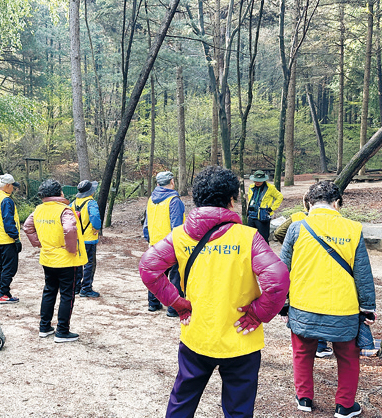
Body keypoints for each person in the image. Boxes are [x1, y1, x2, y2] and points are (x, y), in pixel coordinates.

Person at [139, 166, 289, 418]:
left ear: (197, 199)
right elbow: (278, 279)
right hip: (241, 339)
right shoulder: (248, 237)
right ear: (232, 200)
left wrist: (176, 302)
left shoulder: (180, 236)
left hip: (197, 332)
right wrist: (257, 314)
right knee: (238, 409)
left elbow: (148, 267)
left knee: (182, 400)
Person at [279, 181, 376, 417]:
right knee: (348, 357)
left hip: (303, 305)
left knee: (302, 352)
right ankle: (344, 405)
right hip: (343, 308)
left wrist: (283, 304)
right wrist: (368, 307)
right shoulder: (353, 229)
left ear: (309, 204)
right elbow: (362, 272)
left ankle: (304, 398)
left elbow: (282, 270)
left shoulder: (296, 227)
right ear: (337, 203)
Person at [23, 179, 87, 343]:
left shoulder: (38, 210)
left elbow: (27, 227)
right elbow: (70, 228)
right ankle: (62, 331)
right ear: (60, 193)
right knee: (67, 295)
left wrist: (38, 243)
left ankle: (44, 327)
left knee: (49, 291)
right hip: (66, 260)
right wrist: (71, 249)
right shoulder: (65, 210)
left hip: (47, 258)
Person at [274, 192, 334, 359]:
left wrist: (292, 245)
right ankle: (320, 345)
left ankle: (310, 345)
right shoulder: (330, 221)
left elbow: (279, 232)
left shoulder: (297, 217)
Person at [142, 171, 185, 316]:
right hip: (170, 245)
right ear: (172, 181)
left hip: (154, 243)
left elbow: (146, 223)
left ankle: (153, 304)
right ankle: (173, 309)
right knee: (175, 276)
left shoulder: (151, 199)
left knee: (157, 274)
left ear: (158, 183)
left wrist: (149, 239)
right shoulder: (174, 200)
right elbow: (177, 225)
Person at [0, 173, 21, 303]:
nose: (13, 188)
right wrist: (16, 238)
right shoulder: (6, 200)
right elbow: (8, 222)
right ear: (7, 185)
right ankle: (4, 293)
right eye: (12, 186)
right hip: (7, 240)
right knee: (9, 268)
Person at [70, 180, 101, 298]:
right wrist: (97, 227)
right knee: (89, 263)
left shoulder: (73, 203)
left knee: (78, 262)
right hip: (89, 238)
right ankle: (86, 288)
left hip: (77, 238)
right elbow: (95, 217)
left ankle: (76, 287)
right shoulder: (91, 203)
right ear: (90, 192)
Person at [246, 170, 283, 242]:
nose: (257, 182)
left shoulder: (270, 188)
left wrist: (272, 208)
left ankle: (265, 253)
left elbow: (280, 197)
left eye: (259, 181)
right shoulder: (251, 187)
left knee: (263, 239)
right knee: (250, 239)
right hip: (251, 215)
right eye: (256, 180)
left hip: (263, 216)